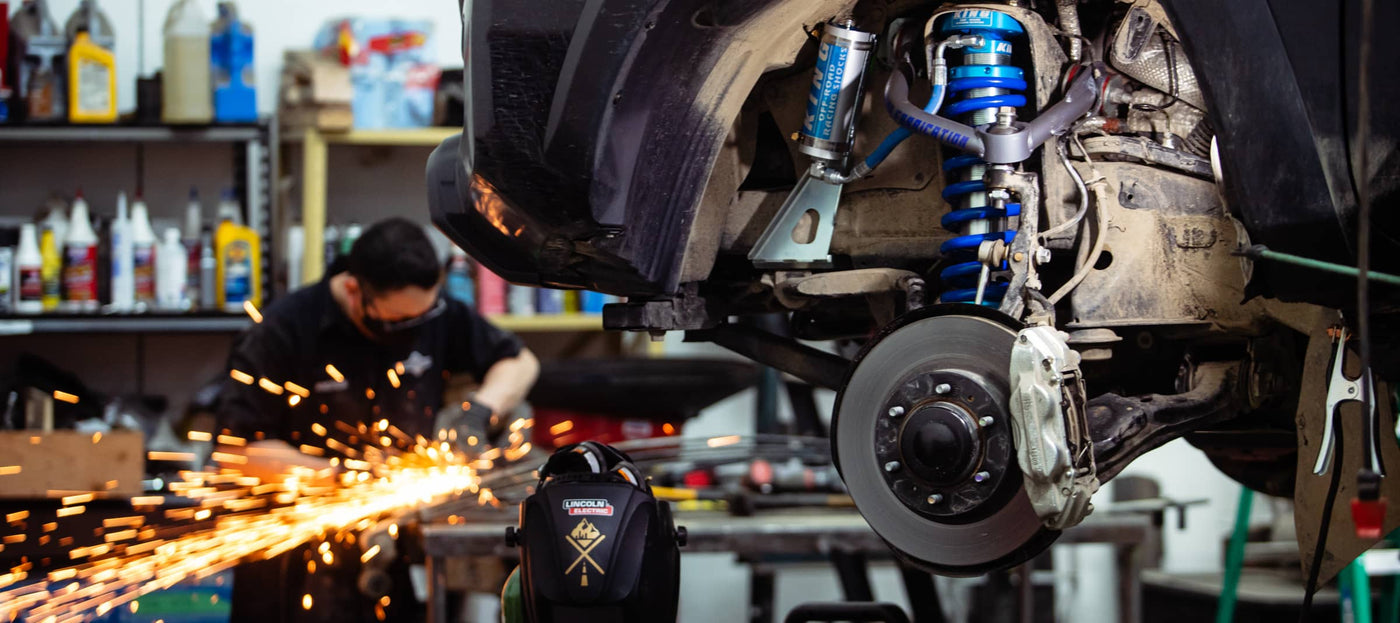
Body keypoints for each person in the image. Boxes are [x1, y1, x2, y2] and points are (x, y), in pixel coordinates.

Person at [215, 217, 539, 621]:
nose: (413, 332)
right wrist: (344, 476)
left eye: (423, 318)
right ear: (354, 291)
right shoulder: (281, 331)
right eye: (399, 323)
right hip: (296, 556)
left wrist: (478, 412)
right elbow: (237, 451)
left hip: (394, 549)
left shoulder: (437, 314)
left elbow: (520, 362)